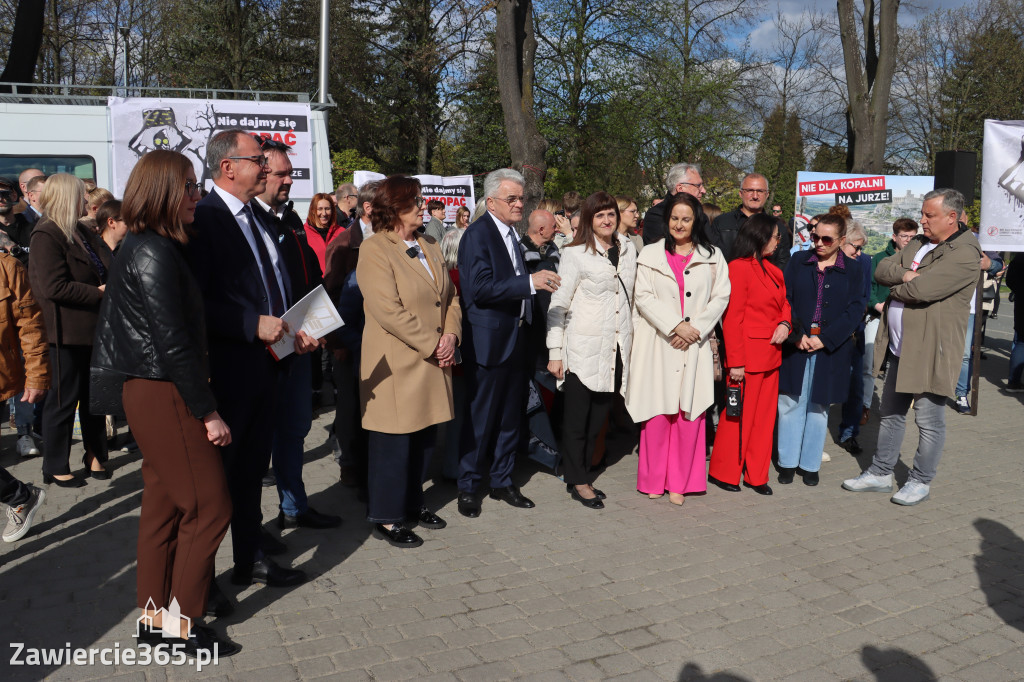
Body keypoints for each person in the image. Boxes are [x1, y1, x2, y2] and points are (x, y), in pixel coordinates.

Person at [90, 150, 238, 656]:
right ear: (163, 193)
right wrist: (209, 410)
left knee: (163, 508)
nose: (197, 196)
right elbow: (172, 340)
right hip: (164, 391)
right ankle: (181, 625)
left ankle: (156, 622)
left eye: (196, 187)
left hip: (154, 388)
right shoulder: (153, 250)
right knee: (210, 507)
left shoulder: (151, 244)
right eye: (189, 188)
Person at [186, 129, 318, 590]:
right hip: (231, 369)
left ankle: (251, 558)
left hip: (269, 363)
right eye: (257, 159)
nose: (265, 166)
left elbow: (271, 284)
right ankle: (199, 582)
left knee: (249, 474)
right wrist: (251, 324)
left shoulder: (256, 217)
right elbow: (196, 302)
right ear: (228, 167)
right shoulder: (205, 218)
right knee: (221, 481)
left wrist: (293, 329)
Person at [843, 189, 982, 505]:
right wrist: (906, 274)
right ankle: (880, 473)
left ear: (951, 217)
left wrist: (904, 283)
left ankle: (920, 480)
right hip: (900, 347)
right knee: (891, 412)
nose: (922, 220)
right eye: (922, 213)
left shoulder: (964, 252)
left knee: (929, 420)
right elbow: (880, 269)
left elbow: (921, 290)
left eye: (929, 215)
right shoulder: (920, 242)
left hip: (932, 350)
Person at [357, 175, 461, 547]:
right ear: (394, 208)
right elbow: (387, 311)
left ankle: (414, 503)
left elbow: (449, 298)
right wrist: (434, 343)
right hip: (398, 364)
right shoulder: (375, 250)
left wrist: (451, 335)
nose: (422, 206)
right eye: (414, 201)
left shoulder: (430, 243)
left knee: (424, 440)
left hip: (434, 358)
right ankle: (386, 517)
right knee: (393, 445)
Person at [456, 168, 560, 518]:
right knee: (480, 418)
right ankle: (469, 486)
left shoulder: (511, 234)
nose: (519, 204)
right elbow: (480, 289)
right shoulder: (477, 235)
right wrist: (529, 284)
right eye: (511, 198)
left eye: (521, 197)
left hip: (517, 339)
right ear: (491, 201)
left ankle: (501, 481)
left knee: (509, 417)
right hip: (488, 342)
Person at [253, 141, 340, 531]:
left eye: (292, 172)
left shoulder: (289, 221)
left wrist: (318, 327)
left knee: (295, 430)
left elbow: (310, 280)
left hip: (299, 346)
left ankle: (294, 506)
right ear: (260, 172)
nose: (290, 180)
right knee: (259, 442)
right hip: (261, 352)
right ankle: (250, 532)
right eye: (282, 173)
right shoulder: (245, 222)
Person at [626, 191, 730, 505]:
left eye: (686, 219)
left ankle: (680, 483)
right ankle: (654, 479)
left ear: (696, 220)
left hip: (693, 346)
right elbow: (642, 297)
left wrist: (692, 330)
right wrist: (675, 325)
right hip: (660, 343)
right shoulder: (649, 254)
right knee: (658, 413)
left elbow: (720, 297)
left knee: (689, 414)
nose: (679, 224)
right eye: (674, 218)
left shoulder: (712, 256)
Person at [547, 192, 637, 509]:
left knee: (599, 418)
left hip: (613, 349)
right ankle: (578, 480)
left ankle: (583, 470)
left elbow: (631, 302)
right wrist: (555, 351)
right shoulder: (575, 254)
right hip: (581, 348)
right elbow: (558, 305)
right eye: (599, 215)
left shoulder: (627, 250)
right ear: (588, 219)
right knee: (576, 421)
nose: (607, 220)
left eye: (611, 214)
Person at [28, 173, 111, 487]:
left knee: (96, 399)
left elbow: (106, 263)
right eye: (81, 195)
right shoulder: (46, 234)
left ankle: (95, 455)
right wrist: (99, 292)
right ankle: (55, 465)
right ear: (67, 197)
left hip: (93, 331)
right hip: (65, 333)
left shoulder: (80, 230)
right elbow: (52, 287)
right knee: (63, 401)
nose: (86, 201)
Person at [776, 213, 865, 486]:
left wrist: (826, 338)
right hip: (798, 344)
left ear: (840, 240)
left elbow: (856, 308)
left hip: (830, 348)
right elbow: (785, 298)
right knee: (790, 403)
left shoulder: (854, 269)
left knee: (819, 406)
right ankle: (787, 462)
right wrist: (796, 333)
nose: (819, 243)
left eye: (827, 239)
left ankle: (810, 464)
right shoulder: (798, 261)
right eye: (815, 236)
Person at [707, 214, 790, 495]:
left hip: (771, 357)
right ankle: (724, 472)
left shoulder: (774, 271)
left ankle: (756, 475)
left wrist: (785, 323)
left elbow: (784, 305)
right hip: (747, 360)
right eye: (776, 237)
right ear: (760, 236)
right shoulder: (738, 268)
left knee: (764, 422)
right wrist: (737, 363)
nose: (778, 243)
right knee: (736, 418)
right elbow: (732, 319)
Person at [324, 180, 379, 490]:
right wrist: (335, 342)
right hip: (349, 342)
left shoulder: (388, 240)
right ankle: (350, 467)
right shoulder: (344, 243)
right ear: (368, 208)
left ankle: (370, 464)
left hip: (377, 342)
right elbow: (328, 295)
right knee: (350, 409)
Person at [0, 240, 48, 542]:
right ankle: (20, 495)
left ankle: (20, 496)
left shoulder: (8, 267)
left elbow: (31, 325)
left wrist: (37, 376)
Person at [864, 218, 918, 421]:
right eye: (904, 236)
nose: (908, 240)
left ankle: (902, 402)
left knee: (904, 361)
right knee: (870, 361)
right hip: (879, 315)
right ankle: (865, 404)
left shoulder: (919, 260)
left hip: (906, 317)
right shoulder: (879, 258)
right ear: (894, 237)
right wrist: (877, 305)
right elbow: (869, 288)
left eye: (913, 237)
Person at [835, 222, 872, 454]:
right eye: (855, 247)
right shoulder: (824, 261)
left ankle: (849, 433)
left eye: (861, 248)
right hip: (827, 333)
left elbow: (863, 297)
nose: (859, 253)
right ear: (841, 241)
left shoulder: (864, 263)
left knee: (854, 387)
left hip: (854, 333)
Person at [709, 172, 790, 267]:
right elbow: (712, 260)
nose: (755, 196)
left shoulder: (778, 227)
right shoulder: (722, 222)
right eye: (750, 191)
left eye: (760, 191)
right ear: (740, 193)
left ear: (767, 194)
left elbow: (783, 264)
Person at [642, 162, 708, 246]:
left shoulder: (700, 214)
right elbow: (664, 251)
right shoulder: (657, 215)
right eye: (698, 186)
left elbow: (711, 247)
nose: (703, 191)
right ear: (680, 188)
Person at [304, 192, 344, 274]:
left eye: (327, 209)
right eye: (320, 209)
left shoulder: (342, 233)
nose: (324, 213)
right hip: (315, 285)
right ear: (312, 210)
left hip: (338, 284)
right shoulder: (303, 233)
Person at [0, 176, 33, 257]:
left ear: (14, 196)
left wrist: (9, 245)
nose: (0, 198)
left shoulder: (31, 228)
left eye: (5, 194)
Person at [1004, 256, 1023, 392]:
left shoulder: (1020, 258)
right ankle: (1014, 382)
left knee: (1021, 342)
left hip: (1021, 302)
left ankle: (1014, 381)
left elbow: (1010, 280)